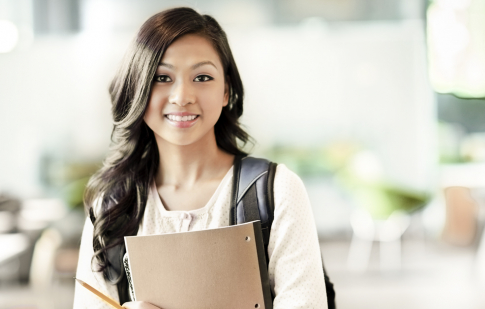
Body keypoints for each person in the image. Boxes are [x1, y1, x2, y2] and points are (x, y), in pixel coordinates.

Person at [73, 7, 328, 309]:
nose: (182, 96)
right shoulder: (112, 205)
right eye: (162, 77)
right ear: (138, 88)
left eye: (202, 77)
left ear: (226, 91)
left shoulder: (277, 191)